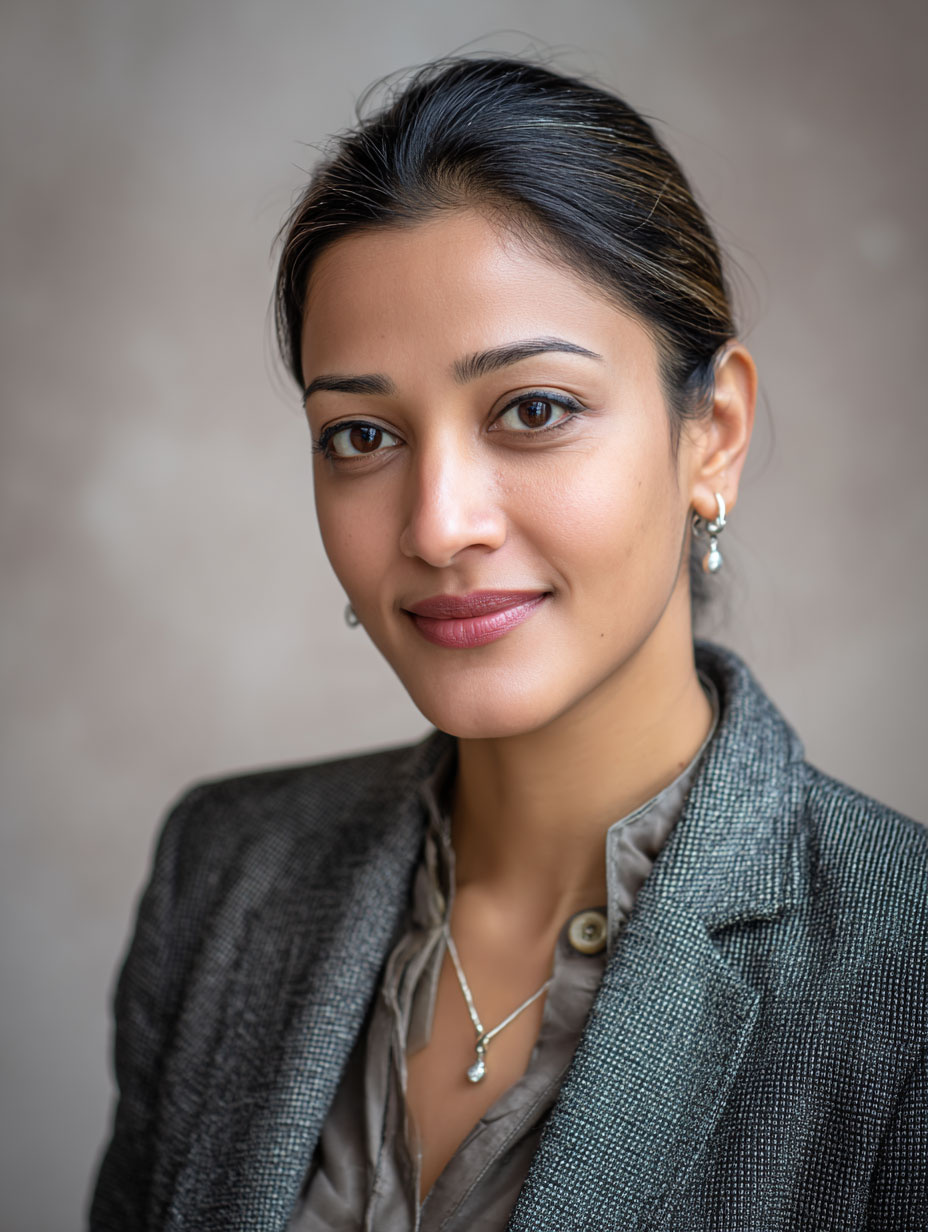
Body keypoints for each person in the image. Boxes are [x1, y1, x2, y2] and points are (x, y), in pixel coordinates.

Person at [89, 57, 927, 1231]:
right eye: (362, 433)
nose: (436, 524)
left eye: (532, 410)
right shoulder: (222, 874)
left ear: (713, 435)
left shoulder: (904, 964)